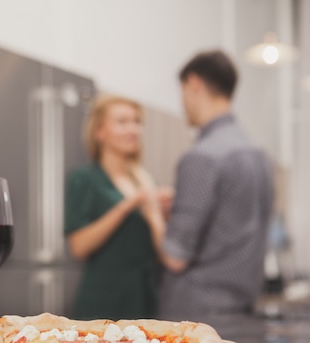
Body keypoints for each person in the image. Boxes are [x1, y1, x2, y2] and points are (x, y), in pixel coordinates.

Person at [145, 50, 274, 321]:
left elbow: (174, 257)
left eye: (182, 92)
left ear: (194, 84)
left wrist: (152, 214)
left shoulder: (202, 157)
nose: (182, 103)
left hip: (197, 314)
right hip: (243, 309)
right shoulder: (258, 155)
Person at [64, 95, 169, 320]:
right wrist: (128, 205)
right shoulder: (84, 179)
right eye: (122, 122)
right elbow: (78, 247)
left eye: (136, 121)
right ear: (99, 132)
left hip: (145, 300)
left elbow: (163, 253)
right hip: (102, 303)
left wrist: (162, 212)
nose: (133, 129)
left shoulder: (147, 182)